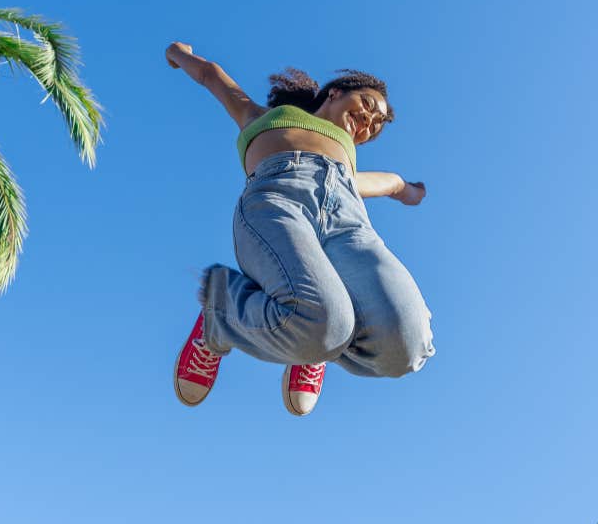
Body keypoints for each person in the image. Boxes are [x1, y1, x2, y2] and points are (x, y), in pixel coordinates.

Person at [166, 41, 435, 416]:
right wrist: (179, 55)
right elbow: (213, 76)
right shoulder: (260, 117)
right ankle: (223, 313)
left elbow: (388, 182)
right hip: (279, 198)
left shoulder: (349, 165)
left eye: (375, 127)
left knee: (407, 344)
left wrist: (410, 191)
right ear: (336, 92)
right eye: (369, 106)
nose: (370, 122)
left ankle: (315, 347)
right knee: (324, 324)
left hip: (348, 218)